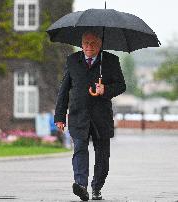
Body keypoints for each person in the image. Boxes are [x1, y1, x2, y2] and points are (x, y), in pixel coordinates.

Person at [54, 31, 126, 201]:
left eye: (93, 43)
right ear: (81, 43)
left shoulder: (110, 61)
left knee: (102, 155)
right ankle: (81, 185)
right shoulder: (72, 60)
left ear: (100, 44)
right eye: (85, 43)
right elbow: (64, 90)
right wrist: (59, 116)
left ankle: (96, 186)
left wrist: (105, 90)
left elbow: (122, 85)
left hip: (101, 117)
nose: (88, 47)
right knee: (79, 149)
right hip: (78, 115)